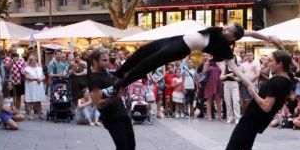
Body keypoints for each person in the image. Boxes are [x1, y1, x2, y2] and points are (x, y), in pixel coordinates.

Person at [215, 49, 293, 150]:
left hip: (252, 119)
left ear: (280, 64)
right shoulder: (287, 79)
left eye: (271, 61)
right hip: (258, 120)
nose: (267, 63)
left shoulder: (276, 82)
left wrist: (253, 92)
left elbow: (265, 106)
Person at [112, 23, 282, 93]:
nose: (225, 27)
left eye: (229, 29)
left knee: (148, 63)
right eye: (227, 26)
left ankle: (117, 86)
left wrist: (249, 83)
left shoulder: (224, 47)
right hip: (177, 39)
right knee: (143, 51)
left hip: (180, 48)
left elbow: (236, 69)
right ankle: (120, 73)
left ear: (232, 37)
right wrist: (268, 37)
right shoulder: (223, 31)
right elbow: (249, 33)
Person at [89, 48, 144, 150]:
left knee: (131, 144)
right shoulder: (94, 79)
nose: (108, 62)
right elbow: (98, 104)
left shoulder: (107, 73)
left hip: (122, 113)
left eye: (108, 59)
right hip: (111, 118)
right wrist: (116, 97)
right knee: (123, 148)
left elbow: (117, 89)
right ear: (95, 61)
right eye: (104, 60)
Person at [221, 58, 241, 124]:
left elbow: (240, 79)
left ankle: (237, 118)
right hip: (226, 84)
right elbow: (221, 77)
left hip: (234, 84)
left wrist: (234, 77)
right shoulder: (225, 67)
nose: (231, 60)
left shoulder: (237, 67)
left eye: (232, 58)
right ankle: (230, 117)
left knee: (236, 101)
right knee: (228, 102)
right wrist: (228, 75)